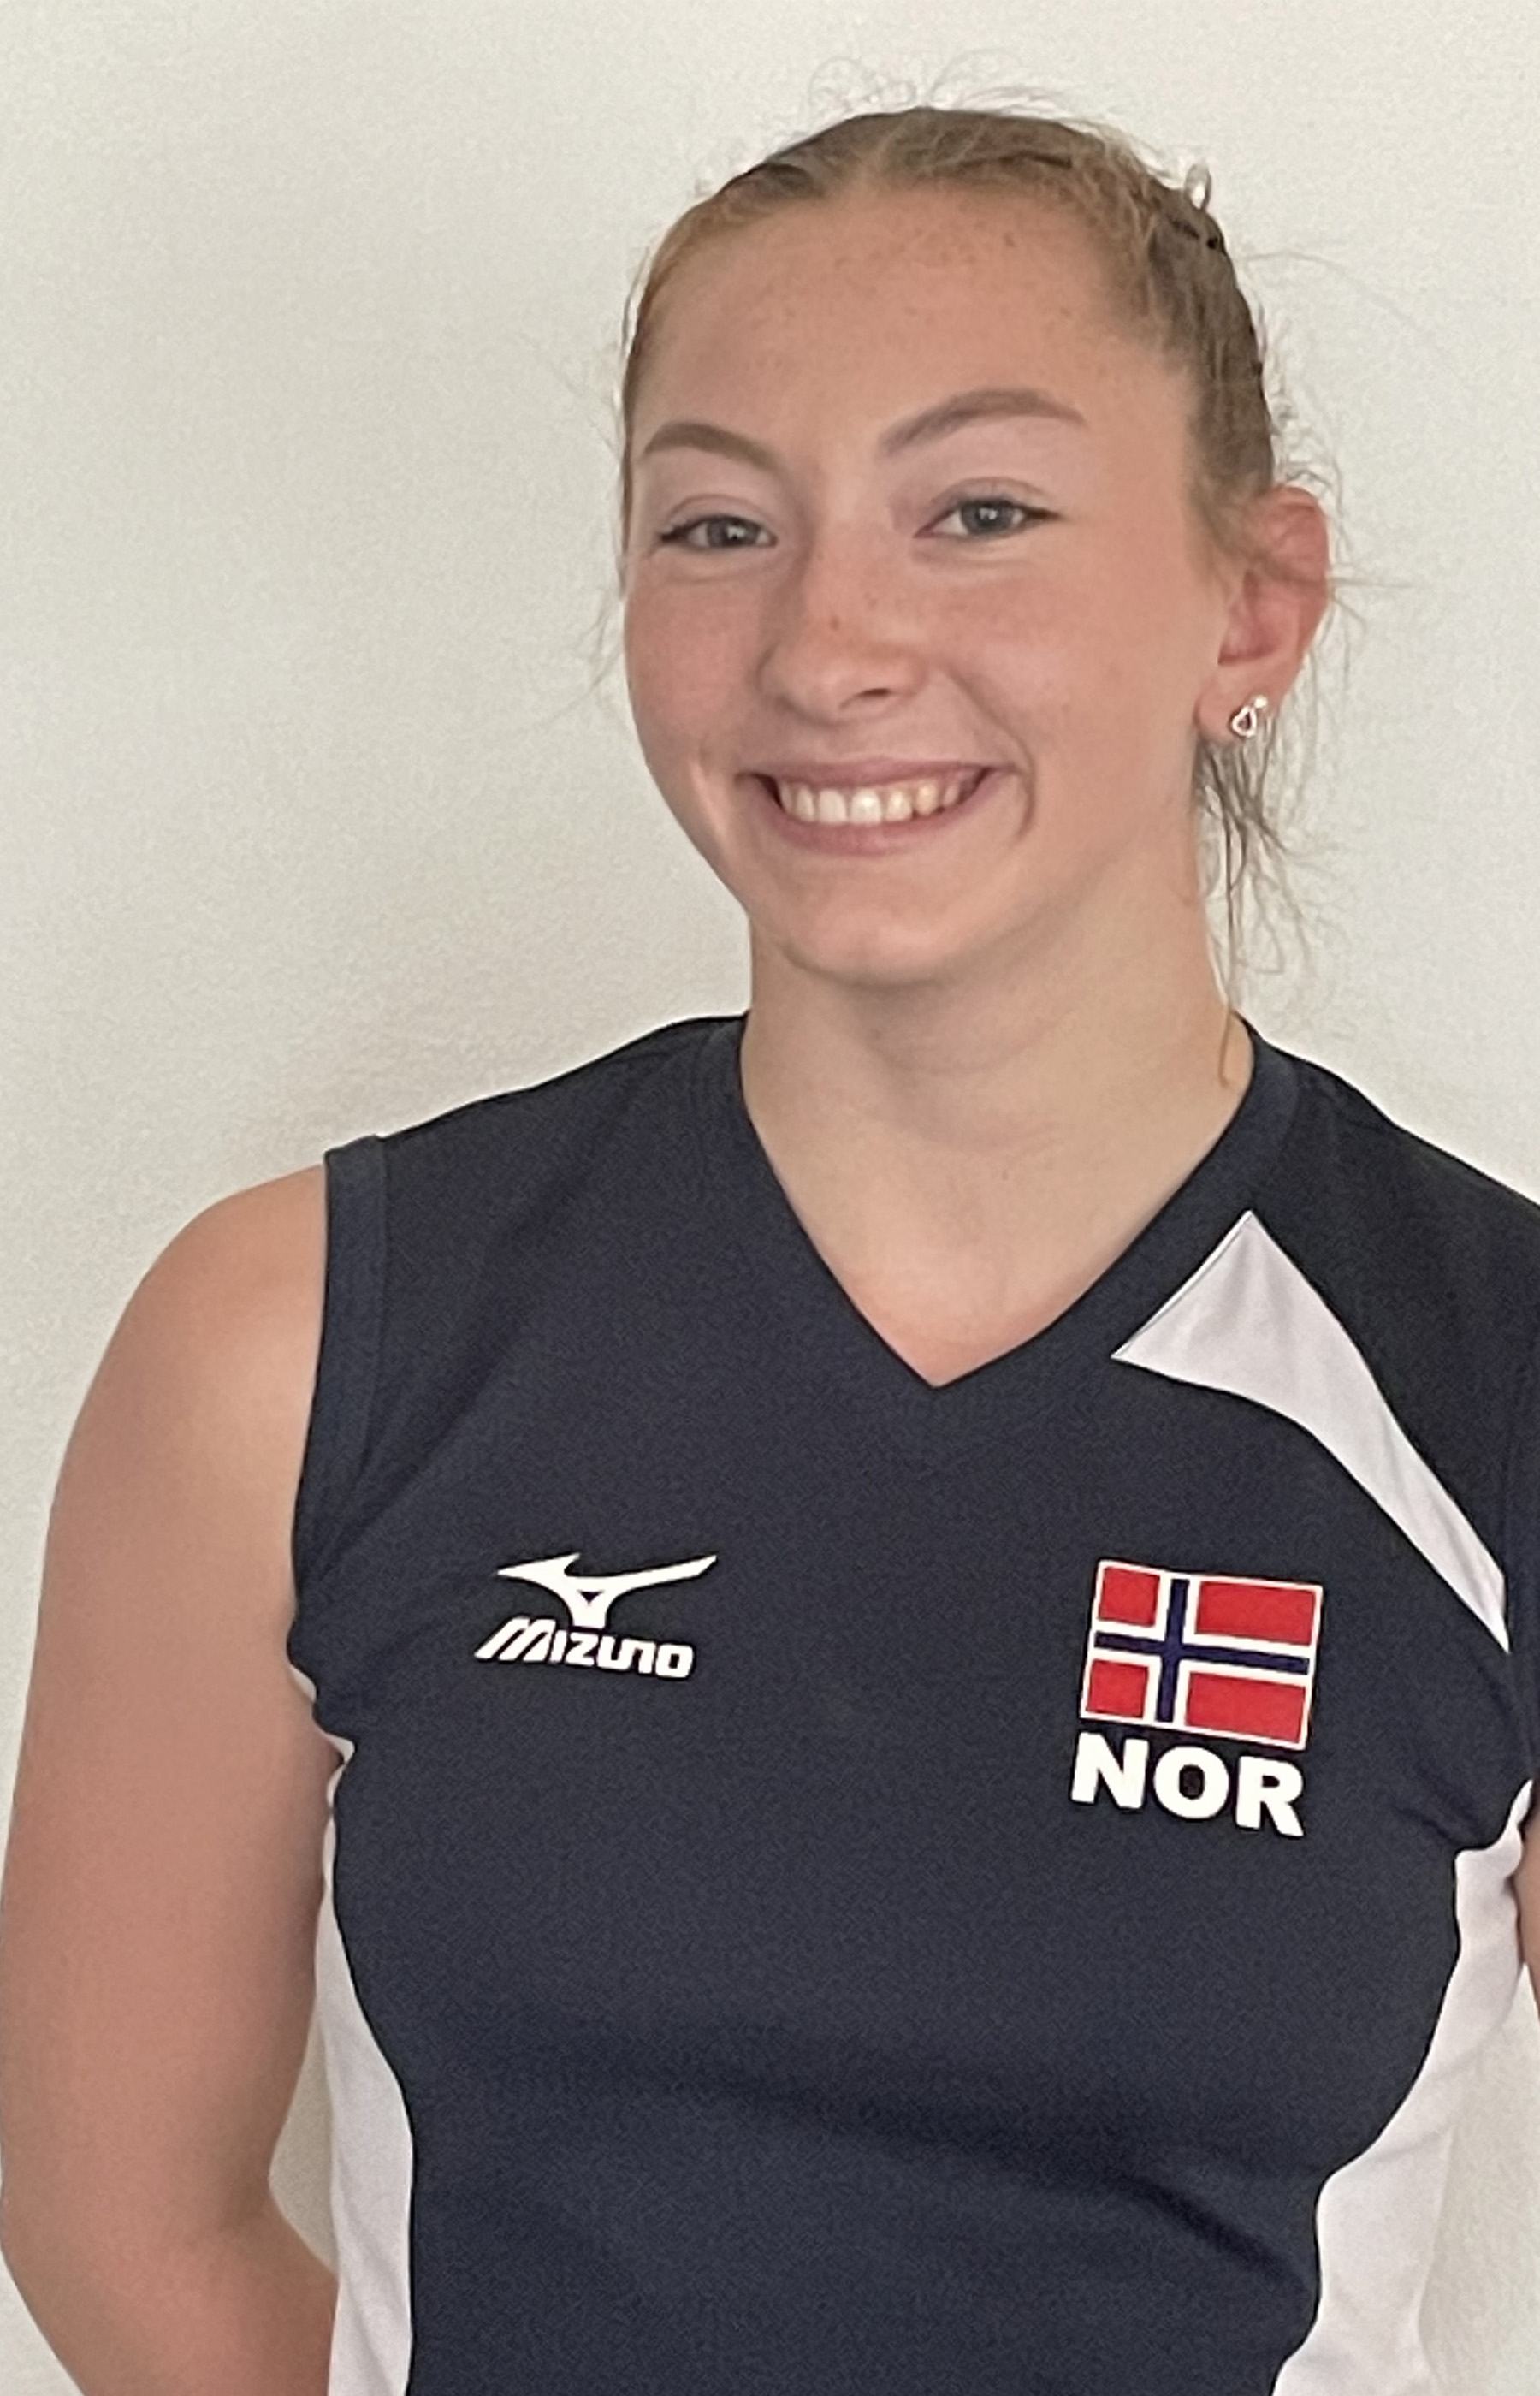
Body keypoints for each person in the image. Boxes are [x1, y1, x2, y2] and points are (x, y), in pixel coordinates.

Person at [0, 98, 1536, 2396]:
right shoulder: (301, 1342)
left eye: (980, 513)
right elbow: (123, 2221)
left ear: (1253, 603)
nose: (828, 644)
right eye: (719, 525)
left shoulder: (1488, 1379)